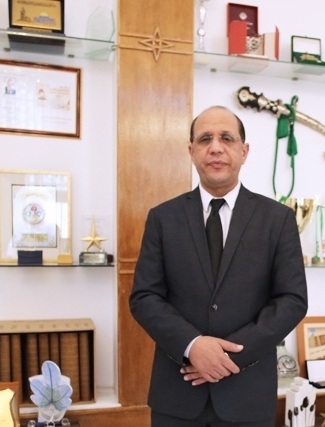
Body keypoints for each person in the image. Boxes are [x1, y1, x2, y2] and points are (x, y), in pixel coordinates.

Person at [130, 106, 308, 427]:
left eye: (227, 138)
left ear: (244, 151)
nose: (215, 147)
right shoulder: (162, 218)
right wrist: (193, 346)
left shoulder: (278, 219)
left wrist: (226, 357)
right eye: (205, 139)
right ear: (191, 152)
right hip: (177, 396)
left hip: (248, 397)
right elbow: (144, 298)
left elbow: (291, 300)